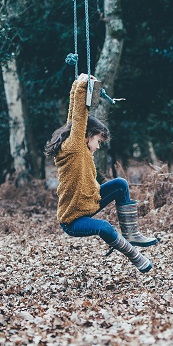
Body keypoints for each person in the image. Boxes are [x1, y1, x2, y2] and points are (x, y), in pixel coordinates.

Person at [44, 74, 157, 273]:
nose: (98, 146)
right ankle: (133, 254)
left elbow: (72, 118)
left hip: (90, 202)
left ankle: (131, 233)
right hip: (73, 220)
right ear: (86, 136)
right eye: (98, 141)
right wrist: (82, 85)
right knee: (104, 227)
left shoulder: (77, 146)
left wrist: (75, 85)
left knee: (120, 184)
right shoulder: (74, 147)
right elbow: (79, 117)